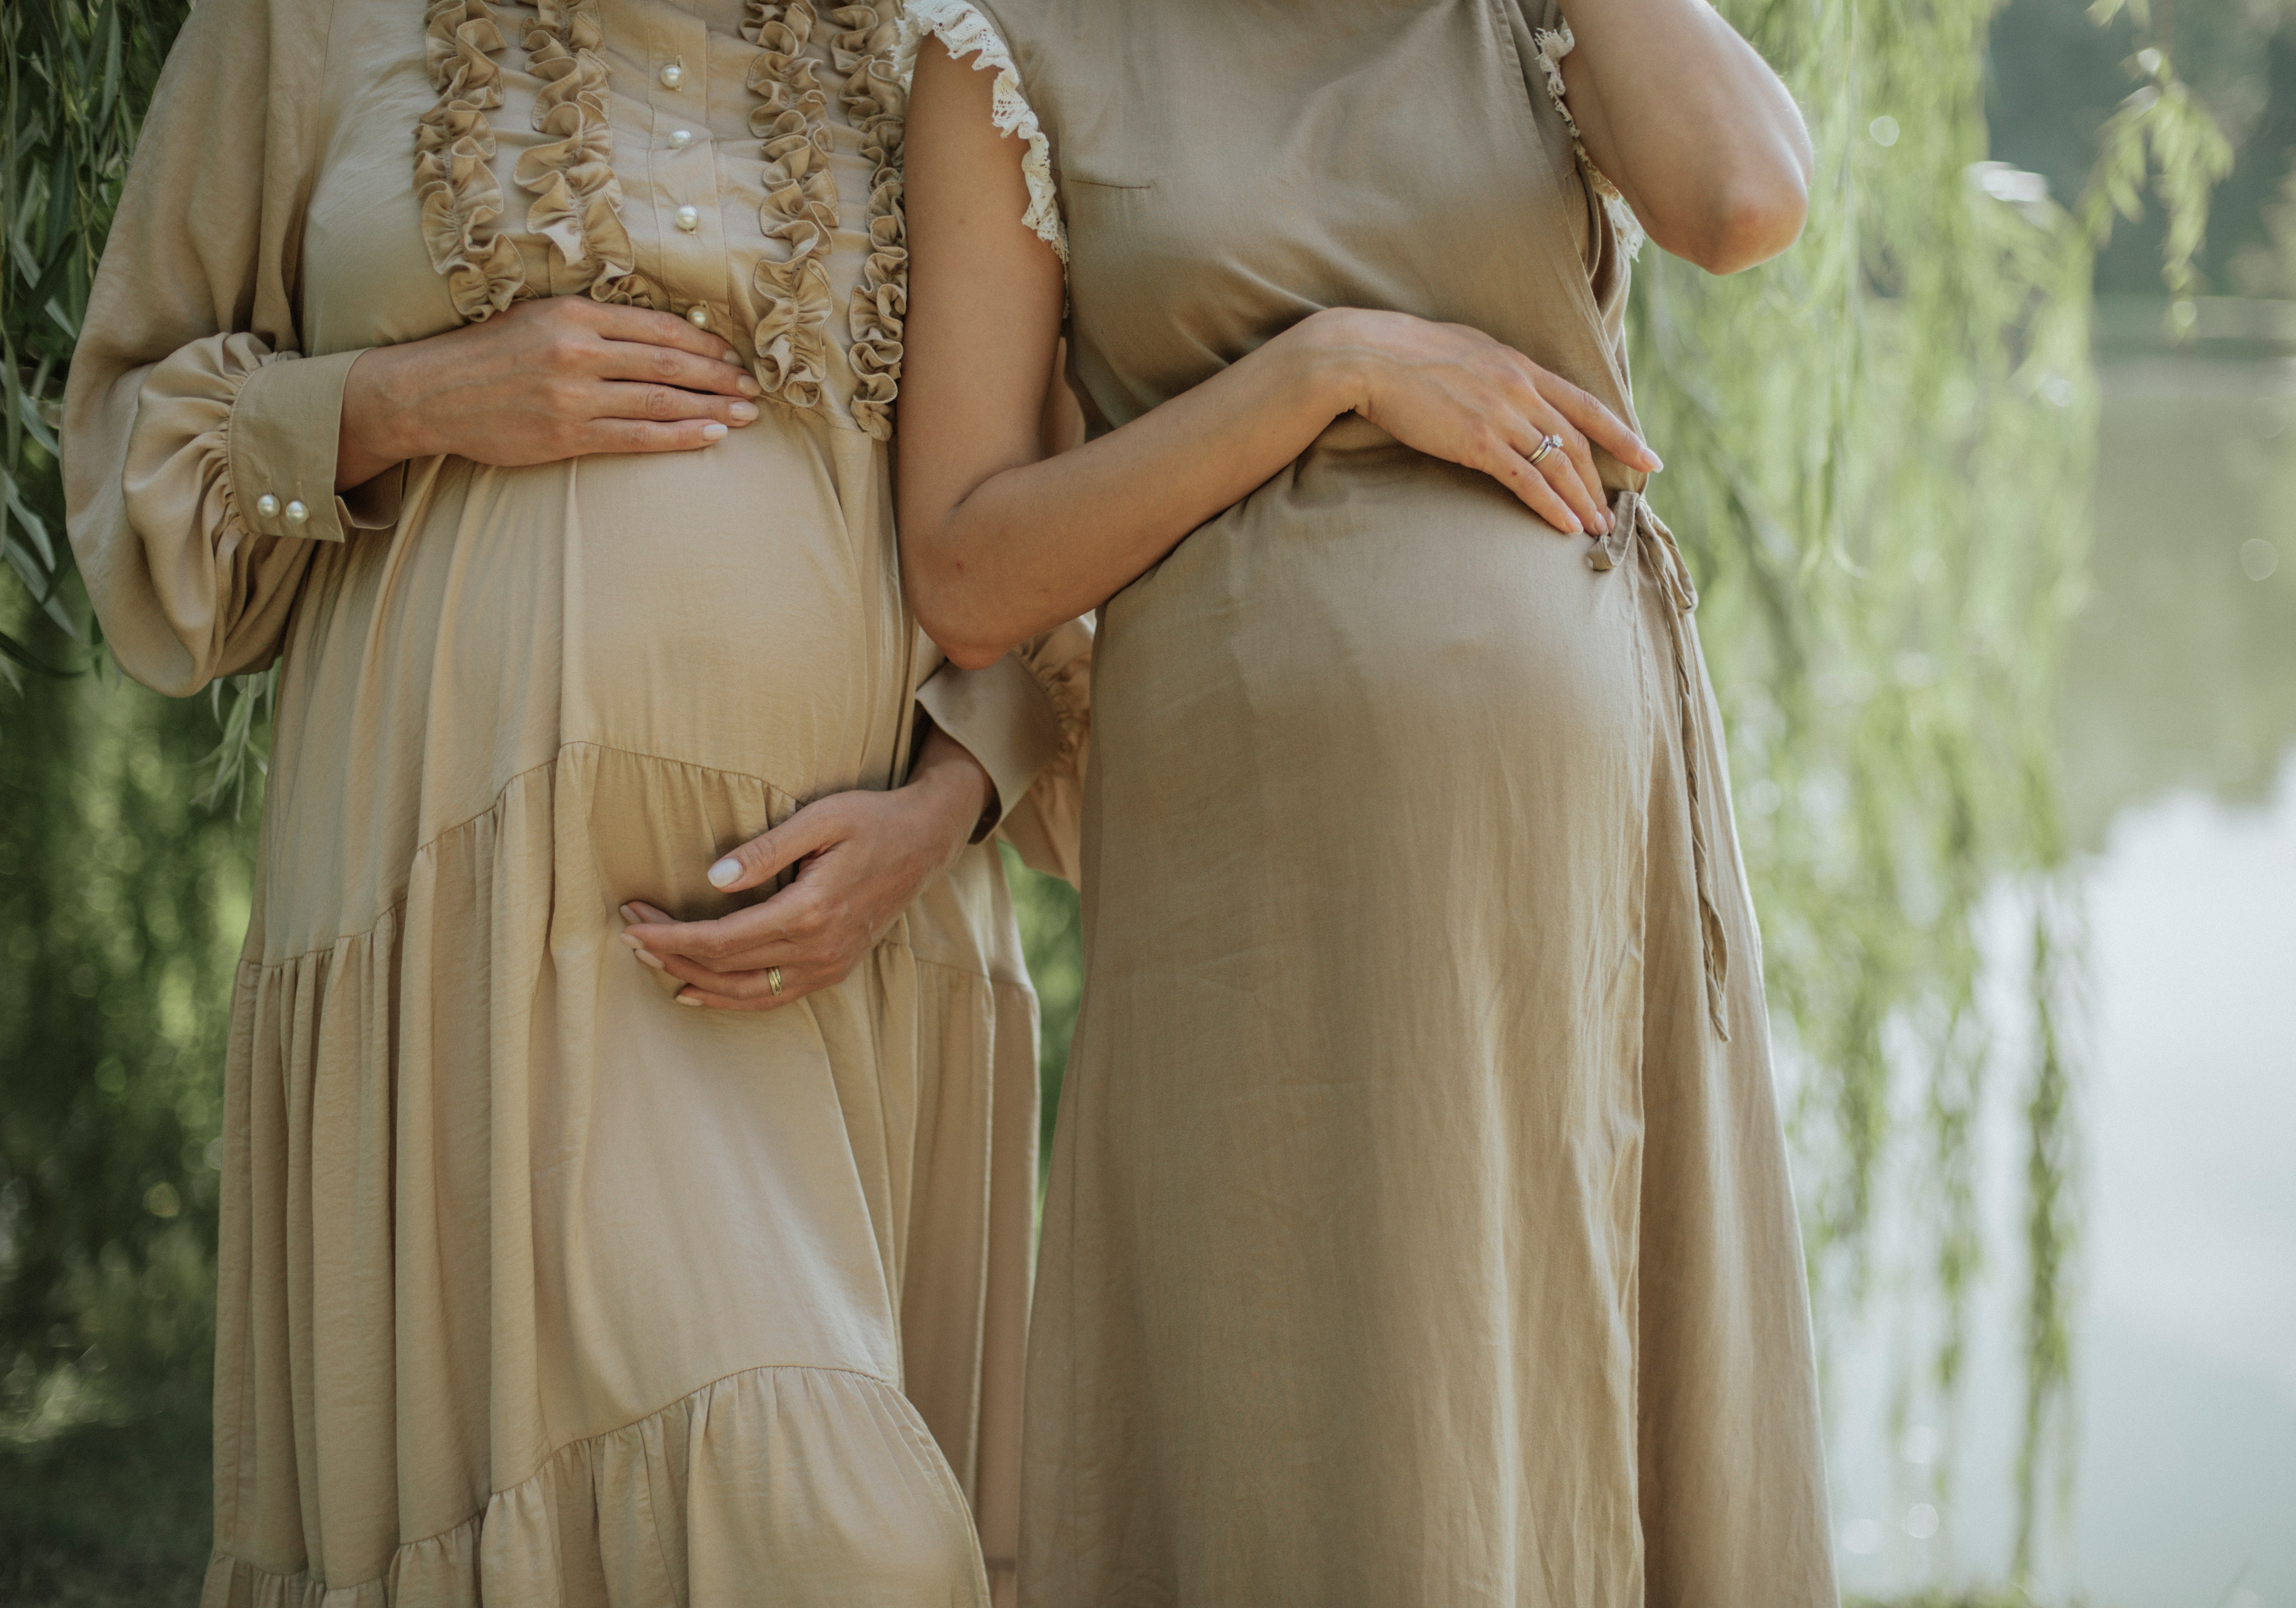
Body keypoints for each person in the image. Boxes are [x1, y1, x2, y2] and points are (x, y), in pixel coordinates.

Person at [65, 0, 1086, 1601]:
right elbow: (130, 453)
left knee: (848, 1545)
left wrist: (951, 804)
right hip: (475, 941)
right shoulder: (302, 23)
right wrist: (410, 400)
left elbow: (1044, 518)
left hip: (850, 956)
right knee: (828, 1548)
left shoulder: (941, 40)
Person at [896, 0, 1838, 1602]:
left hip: (1570, 870)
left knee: (1583, 1400)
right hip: (1257, 889)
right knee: (1308, 1421)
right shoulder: (1010, 43)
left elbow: (1743, 200)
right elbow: (970, 568)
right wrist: (1328, 373)